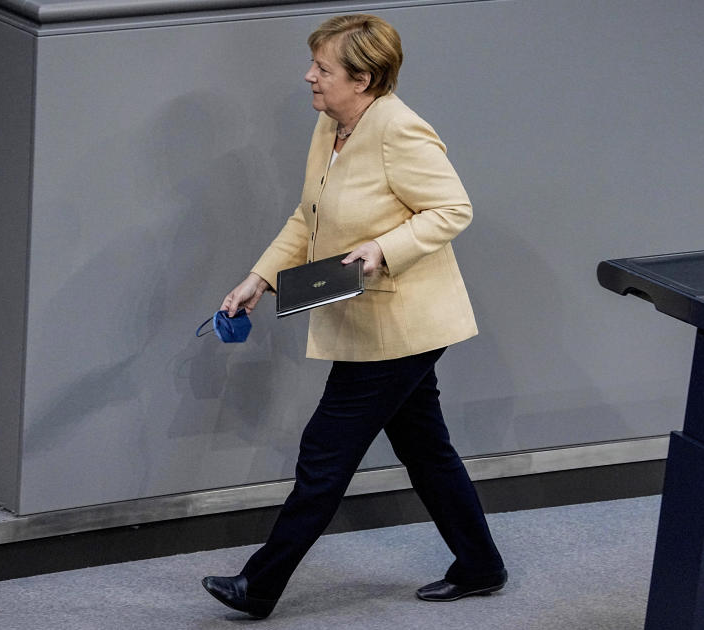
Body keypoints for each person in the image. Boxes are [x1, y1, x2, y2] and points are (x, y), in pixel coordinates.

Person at [201, 13, 507, 620]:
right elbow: (307, 214)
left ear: (364, 78)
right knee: (426, 449)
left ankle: (259, 586)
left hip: (400, 325)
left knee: (324, 456)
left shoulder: (400, 131)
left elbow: (452, 208)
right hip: (368, 318)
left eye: (323, 68)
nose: (308, 77)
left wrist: (383, 249)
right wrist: (259, 276)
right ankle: (480, 565)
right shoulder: (332, 124)